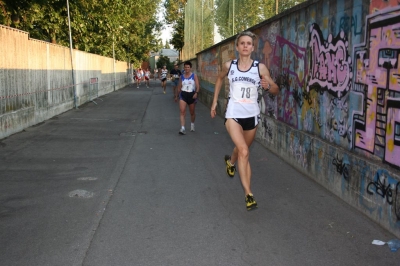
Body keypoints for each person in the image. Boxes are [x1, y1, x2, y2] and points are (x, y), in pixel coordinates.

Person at [210, 31, 279, 211]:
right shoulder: (229, 65)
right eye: (242, 43)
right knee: (244, 151)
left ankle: (230, 162)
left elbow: (276, 90)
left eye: (249, 43)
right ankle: (249, 194)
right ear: (238, 46)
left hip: (252, 115)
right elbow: (218, 79)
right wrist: (215, 101)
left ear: (253, 47)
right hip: (233, 113)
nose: (246, 46)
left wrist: (269, 86)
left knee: (242, 150)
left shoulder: (260, 68)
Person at [177, 61, 200, 135]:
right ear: (184, 68)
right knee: (182, 112)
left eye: (188, 67)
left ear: (190, 68)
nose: (186, 68)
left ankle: (192, 124)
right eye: (185, 67)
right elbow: (179, 86)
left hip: (191, 95)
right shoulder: (182, 76)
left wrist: (196, 93)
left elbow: (197, 86)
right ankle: (182, 128)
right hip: (183, 94)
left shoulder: (194, 76)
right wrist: (177, 95)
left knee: (192, 112)